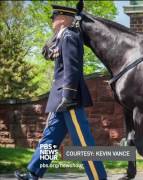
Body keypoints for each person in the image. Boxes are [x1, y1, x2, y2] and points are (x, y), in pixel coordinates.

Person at [14, 5, 107, 180]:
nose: (51, 20)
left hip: (68, 99)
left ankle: (98, 177)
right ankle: (34, 173)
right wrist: (56, 35)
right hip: (60, 99)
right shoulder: (62, 37)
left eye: (54, 17)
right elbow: (46, 52)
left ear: (63, 19)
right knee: (50, 138)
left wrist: (68, 95)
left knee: (83, 141)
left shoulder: (70, 37)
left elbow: (71, 68)